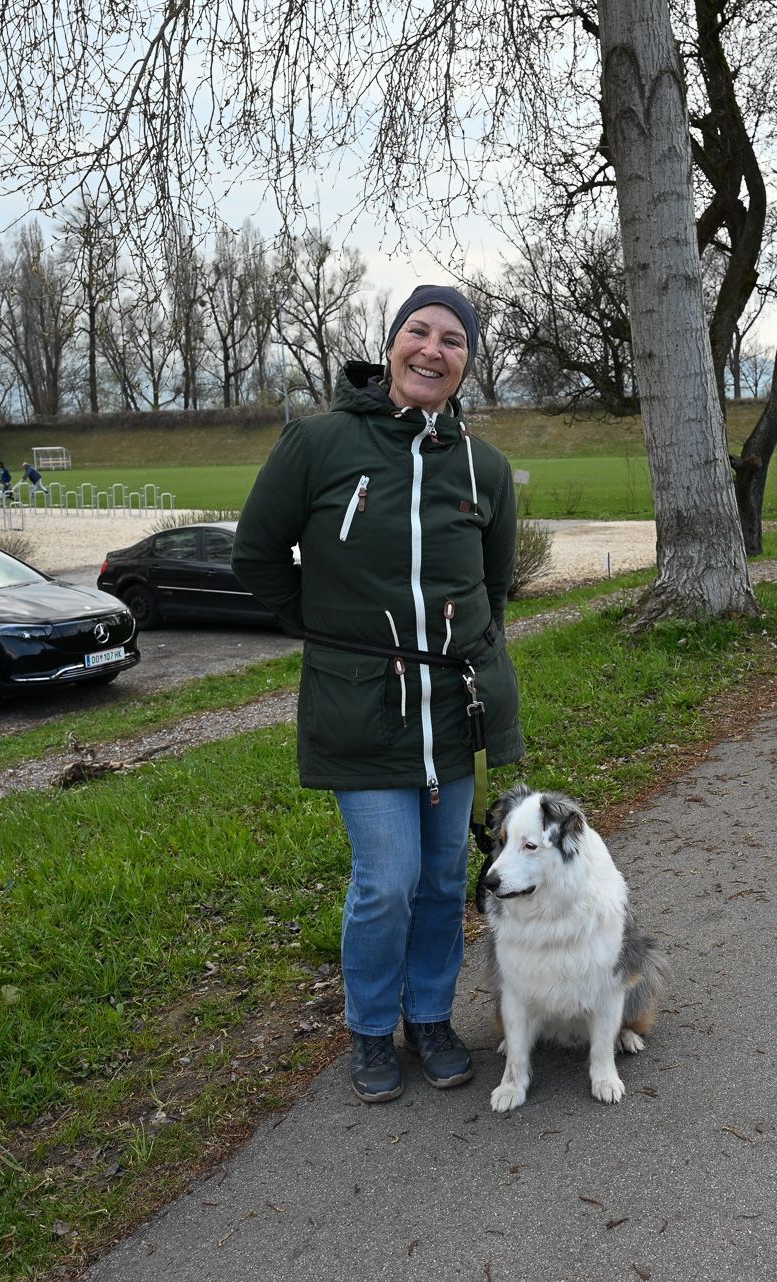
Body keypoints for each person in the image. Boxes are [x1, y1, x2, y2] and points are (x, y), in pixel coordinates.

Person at [232, 284, 524, 1104]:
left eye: (453, 341)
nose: (434, 351)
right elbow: (256, 559)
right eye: (419, 333)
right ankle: (368, 1029)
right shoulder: (319, 444)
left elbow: (495, 588)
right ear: (390, 344)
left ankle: (429, 1018)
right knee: (386, 881)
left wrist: (464, 646)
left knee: (442, 881)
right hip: (359, 704)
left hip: (452, 706)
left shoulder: (484, 467)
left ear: (468, 362)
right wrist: (333, 634)